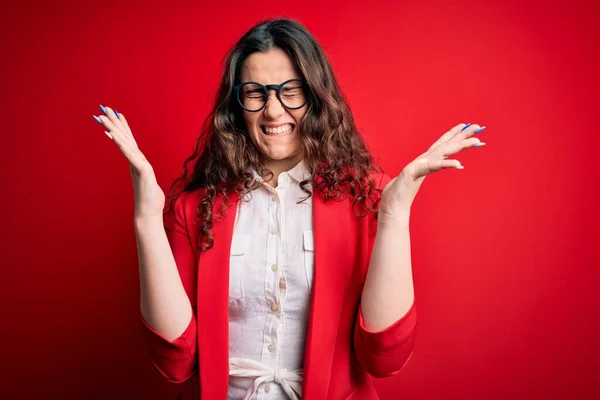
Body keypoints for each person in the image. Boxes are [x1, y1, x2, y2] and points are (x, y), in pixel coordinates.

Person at [92, 18, 486, 400]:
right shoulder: (196, 207)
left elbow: (385, 356)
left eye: (291, 90)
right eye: (255, 93)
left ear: (315, 96)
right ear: (237, 105)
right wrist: (147, 218)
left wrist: (395, 214)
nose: (274, 110)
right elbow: (175, 361)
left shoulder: (368, 198)